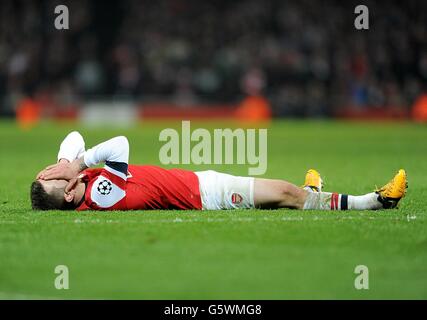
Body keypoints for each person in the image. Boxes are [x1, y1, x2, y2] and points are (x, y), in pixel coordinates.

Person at [31, 131, 407, 211]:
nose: (65, 169)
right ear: (69, 192)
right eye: (61, 176)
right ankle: (374, 202)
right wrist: (78, 162)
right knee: (288, 195)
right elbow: (120, 145)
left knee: (281, 193)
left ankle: (311, 190)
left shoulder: (80, 189)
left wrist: (67, 163)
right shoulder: (100, 194)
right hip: (203, 195)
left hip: (198, 183)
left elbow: (74, 136)